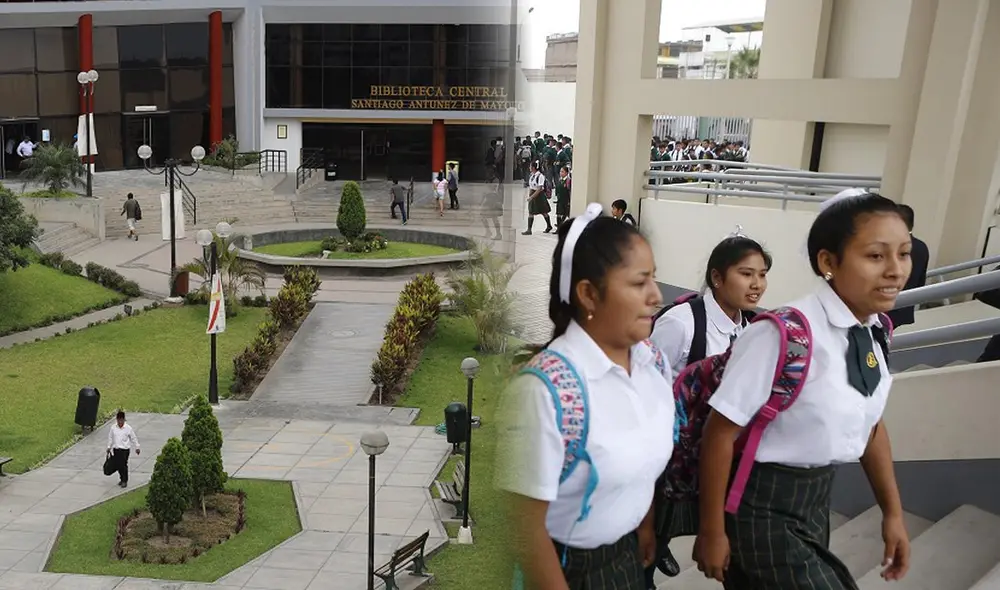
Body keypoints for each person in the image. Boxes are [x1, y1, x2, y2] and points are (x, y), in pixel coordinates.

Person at [695, 190, 912, 589]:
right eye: (876, 256)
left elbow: (872, 429)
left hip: (814, 502)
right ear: (828, 262)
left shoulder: (875, 333)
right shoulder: (784, 335)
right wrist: (711, 530)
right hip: (761, 506)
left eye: (904, 253)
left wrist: (893, 513)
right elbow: (720, 432)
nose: (896, 270)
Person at [503, 204, 675, 589]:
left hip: (626, 557)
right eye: (638, 283)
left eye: (654, 280)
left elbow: (643, 460)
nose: (656, 296)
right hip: (567, 570)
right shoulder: (546, 391)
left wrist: (643, 525)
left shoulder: (653, 364)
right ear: (589, 294)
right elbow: (525, 526)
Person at [651, 233, 771, 375]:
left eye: (762, 275)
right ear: (717, 277)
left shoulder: (750, 328)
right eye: (746, 274)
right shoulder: (680, 324)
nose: (757, 285)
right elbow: (644, 380)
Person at [886, 204, 929, 328]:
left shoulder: (889, 246)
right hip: (906, 309)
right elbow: (921, 280)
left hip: (885, 310)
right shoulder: (922, 247)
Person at [107, 410, 140, 488]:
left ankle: (125, 480)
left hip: (124, 450)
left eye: (122, 420)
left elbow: (133, 438)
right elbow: (110, 438)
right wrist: (109, 447)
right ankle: (121, 479)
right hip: (116, 449)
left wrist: (137, 447)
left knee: (123, 465)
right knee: (118, 465)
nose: (120, 422)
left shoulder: (128, 428)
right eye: (119, 420)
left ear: (124, 420)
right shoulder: (113, 428)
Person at [523, 161, 552, 235]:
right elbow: (531, 186)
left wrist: (532, 197)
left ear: (533, 167)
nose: (529, 168)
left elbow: (539, 188)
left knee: (543, 212)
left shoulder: (540, 176)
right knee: (531, 212)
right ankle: (529, 230)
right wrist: (530, 194)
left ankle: (549, 226)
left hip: (539, 196)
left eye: (530, 166)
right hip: (533, 194)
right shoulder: (532, 175)